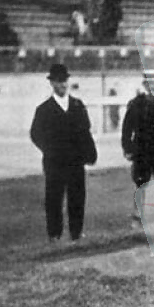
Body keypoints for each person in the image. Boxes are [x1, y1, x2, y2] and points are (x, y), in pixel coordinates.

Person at [30, 64, 97, 243]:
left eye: (65, 80)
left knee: (77, 198)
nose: (63, 84)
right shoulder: (43, 109)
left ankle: (76, 234)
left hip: (75, 161)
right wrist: (50, 150)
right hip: (55, 162)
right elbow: (35, 134)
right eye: (59, 81)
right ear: (52, 83)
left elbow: (86, 131)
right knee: (54, 198)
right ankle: (55, 235)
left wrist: (90, 154)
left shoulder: (77, 105)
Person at [121, 71, 154, 220]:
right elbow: (127, 129)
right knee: (140, 182)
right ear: (145, 84)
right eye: (149, 83)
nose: (152, 87)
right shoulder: (136, 104)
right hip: (142, 150)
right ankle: (138, 213)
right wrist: (128, 148)